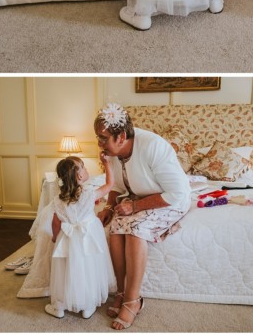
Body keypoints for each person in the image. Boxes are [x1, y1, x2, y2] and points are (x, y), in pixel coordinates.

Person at [95, 103, 192, 330]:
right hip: (136, 199)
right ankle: (120, 292)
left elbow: (177, 193)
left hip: (169, 199)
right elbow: (117, 187)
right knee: (117, 227)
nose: (99, 143)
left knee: (135, 230)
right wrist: (109, 209)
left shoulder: (153, 146)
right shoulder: (113, 151)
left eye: (103, 138)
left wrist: (136, 206)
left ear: (120, 137)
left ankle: (133, 300)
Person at [44, 154, 116, 320]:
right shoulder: (89, 193)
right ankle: (87, 306)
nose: (85, 169)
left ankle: (59, 306)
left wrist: (55, 237)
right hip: (88, 237)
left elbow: (55, 222)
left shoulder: (57, 199)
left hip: (67, 238)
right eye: (83, 167)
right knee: (88, 269)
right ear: (79, 176)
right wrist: (107, 164)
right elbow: (110, 184)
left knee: (66, 271)